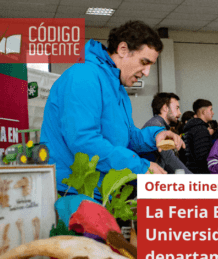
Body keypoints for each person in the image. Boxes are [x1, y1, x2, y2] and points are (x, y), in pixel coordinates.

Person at [41, 21, 184, 199]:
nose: (147, 72)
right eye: (144, 62)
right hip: (74, 192)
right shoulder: (84, 77)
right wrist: (140, 167)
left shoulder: (118, 89)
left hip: (102, 190)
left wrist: (155, 136)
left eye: (150, 66)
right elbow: (83, 141)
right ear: (123, 49)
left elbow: (126, 137)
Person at [142, 93, 192, 174]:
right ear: (165, 108)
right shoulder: (156, 126)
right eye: (177, 108)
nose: (179, 113)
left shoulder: (158, 125)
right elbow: (170, 159)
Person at [183, 99, 214, 174]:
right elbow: (203, 158)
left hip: (191, 170)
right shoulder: (201, 129)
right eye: (211, 110)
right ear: (204, 112)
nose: (213, 113)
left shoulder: (191, 128)